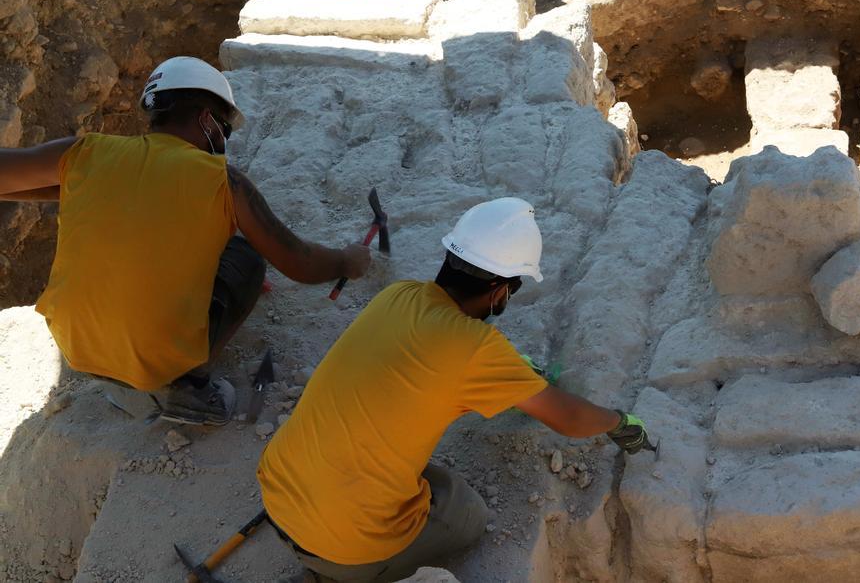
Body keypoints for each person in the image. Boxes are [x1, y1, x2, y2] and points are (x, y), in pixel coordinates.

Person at [257, 197, 651, 583]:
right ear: (499, 291)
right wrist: (619, 422)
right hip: (343, 548)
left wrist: (509, 370)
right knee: (465, 512)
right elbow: (569, 418)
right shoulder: (476, 348)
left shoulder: (399, 294)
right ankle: (350, 571)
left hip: (277, 492)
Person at [0, 56, 371, 426]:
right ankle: (187, 383)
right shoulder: (225, 183)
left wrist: (79, 185)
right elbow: (300, 263)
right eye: (224, 129)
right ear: (207, 120)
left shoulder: (84, 153)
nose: (223, 140)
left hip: (77, 350)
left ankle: (129, 367)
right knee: (246, 257)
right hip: (155, 363)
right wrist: (346, 261)